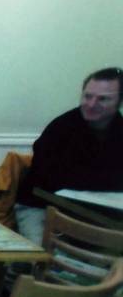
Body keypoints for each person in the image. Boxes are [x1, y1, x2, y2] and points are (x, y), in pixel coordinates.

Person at [15, 67, 123, 244]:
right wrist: (105, 180)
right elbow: (50, 178)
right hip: (41, 207)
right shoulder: (62, 127)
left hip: (95, 215)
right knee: (43, 255)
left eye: (103, 99)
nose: (91, 104)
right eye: (87, 96)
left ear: (119, 101)